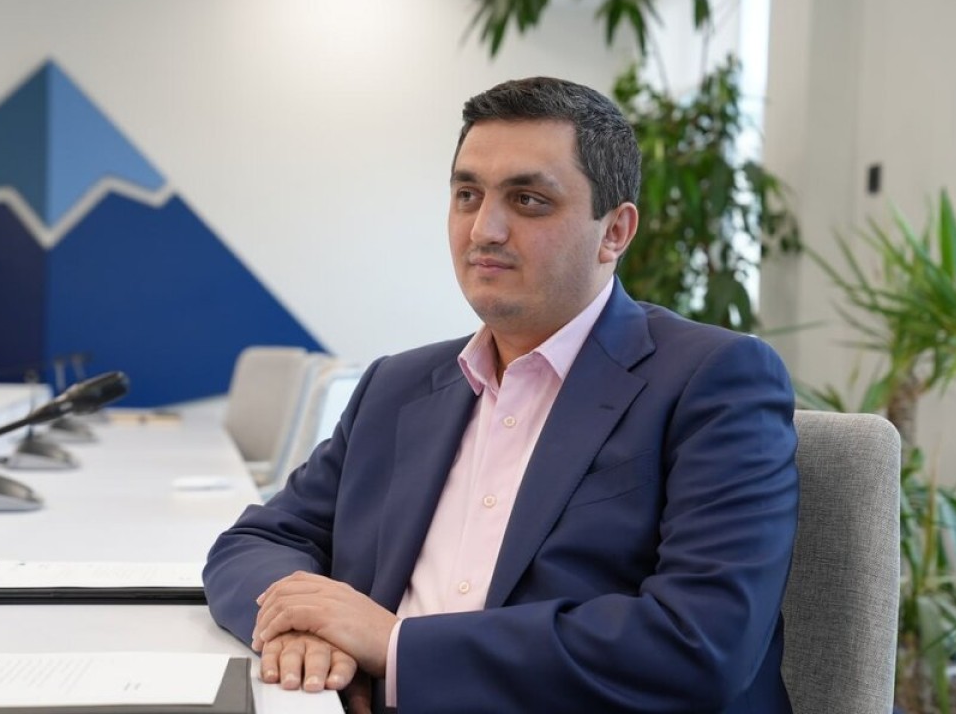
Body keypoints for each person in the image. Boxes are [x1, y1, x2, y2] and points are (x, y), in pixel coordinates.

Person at [204, 76, 799, 714]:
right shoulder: (396, 387)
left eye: (528, 200)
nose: (484, 229)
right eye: (467, 195)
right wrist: (302, 624)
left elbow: (700, 642)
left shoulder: (714, 379)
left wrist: (395, 647)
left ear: (615, 232)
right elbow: (251, 544)